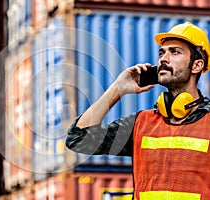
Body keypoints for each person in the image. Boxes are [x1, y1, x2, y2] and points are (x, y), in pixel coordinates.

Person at [66, 22, 210, 200]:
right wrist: (117, 89)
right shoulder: (141, 124)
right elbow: (79, 139)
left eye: (175, 52)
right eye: (161, 52)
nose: (163, 59)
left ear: (196, 65)